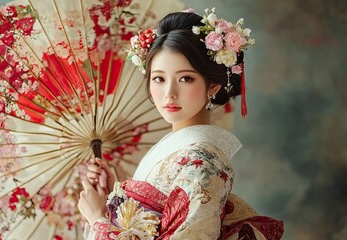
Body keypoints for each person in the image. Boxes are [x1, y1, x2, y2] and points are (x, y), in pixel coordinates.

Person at [78, 9, 283, 240]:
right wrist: (111, 200)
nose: (169, 93)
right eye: (159, 79)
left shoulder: (203, 163)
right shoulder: (178, 150)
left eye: (185, 78)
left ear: (213, 85)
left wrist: (98, 221)